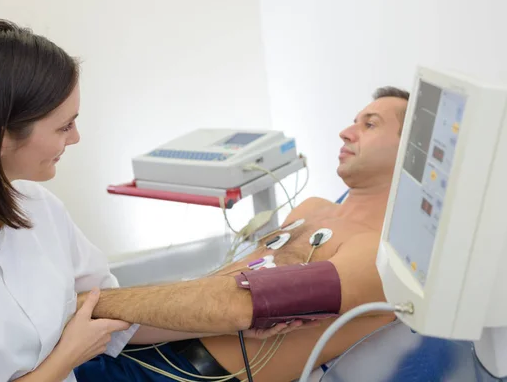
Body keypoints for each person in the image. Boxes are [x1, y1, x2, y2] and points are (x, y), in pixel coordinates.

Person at [0, 19, 269, 382]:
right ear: (0, 136)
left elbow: (113, 313)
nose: (76, 137)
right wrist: (66, 357)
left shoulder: (39, 207)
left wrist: (228, 323)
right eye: (64, 126)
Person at [73, 86, 410, 382]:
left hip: (185, 373)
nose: (346, 132)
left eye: (370, 124)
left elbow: (240, 305)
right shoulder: (312, 208)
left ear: (410, 149)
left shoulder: (377, 254)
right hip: (151, 339)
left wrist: (87, 305)